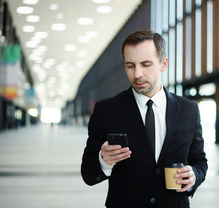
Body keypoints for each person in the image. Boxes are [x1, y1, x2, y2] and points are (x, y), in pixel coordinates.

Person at [81, 30, 208, 208]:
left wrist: (194, 175)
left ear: (163, 64)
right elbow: (87, 173)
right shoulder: (106, 110)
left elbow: (200, 161)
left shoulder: (189, 110)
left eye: (146, 64)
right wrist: (104, 160)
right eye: (130, 65)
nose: (137, 74)